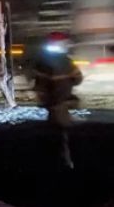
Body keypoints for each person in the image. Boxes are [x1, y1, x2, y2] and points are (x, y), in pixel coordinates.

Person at [33, 32, 83, 169]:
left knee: (54, 131)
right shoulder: (67, 62)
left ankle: (54, 161)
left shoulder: (42, 63)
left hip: (52, 104)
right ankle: (66, 163)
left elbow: (39, 85)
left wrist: (42, 99)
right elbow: (78, 79)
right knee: (62, 132)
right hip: (63, 103)